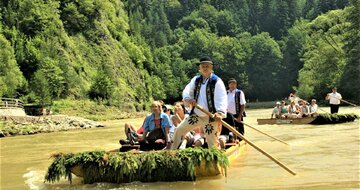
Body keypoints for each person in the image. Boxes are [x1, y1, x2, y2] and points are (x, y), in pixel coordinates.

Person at [170, 56, 227, 150]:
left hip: (210, 118)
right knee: (179, 130)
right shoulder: (196, 80)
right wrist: (188, 98)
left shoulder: (216, 81)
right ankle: (171, 152)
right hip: (196, 115)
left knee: (212, 143)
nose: (205, 68)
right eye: (203, 66)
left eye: (207, 66)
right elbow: (187, 90)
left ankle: (216, 160)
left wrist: (220, 112)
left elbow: (221, 98)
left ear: (211, 68)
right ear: (199, 68)